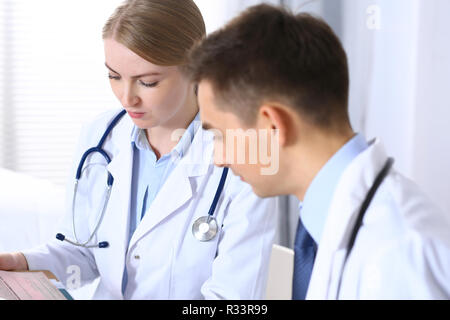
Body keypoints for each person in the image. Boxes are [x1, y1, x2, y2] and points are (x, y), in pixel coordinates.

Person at [0, 0, 278, 300]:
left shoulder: (247, 155)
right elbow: (84, 253)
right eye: (114, 76)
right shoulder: (100, 137)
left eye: (147, 82)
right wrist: (25, 264)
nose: (126, 98)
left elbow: (233, 300)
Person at [186, 4, 450, 299]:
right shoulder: (324, 225)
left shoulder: (397, 252)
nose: (219, 159)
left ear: (273, 125)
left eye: (220, 136)